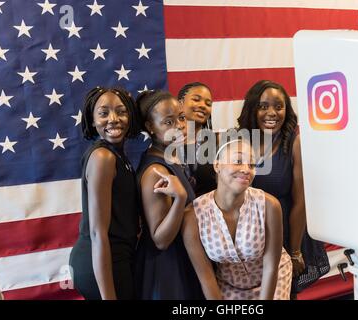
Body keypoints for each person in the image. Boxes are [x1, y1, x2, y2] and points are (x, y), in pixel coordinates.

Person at [238, 80, 330, 296]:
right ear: (253, 109)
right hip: (247, 236)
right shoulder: (238, 141)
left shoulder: (294, 143)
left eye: (279, 106)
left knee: (283, 293)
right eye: (263, 106)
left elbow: (300, 202)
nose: (272, 113)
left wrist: (295, 251)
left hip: (285, 233)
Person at [182, 138, 292, 300]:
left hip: (273, 280)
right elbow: (206, 277)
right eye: (238, 161)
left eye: (252, 165)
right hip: (229, 286)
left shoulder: (269, 205)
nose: (246, 170)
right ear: (217, 165)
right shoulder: (194, 215)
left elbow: (271, 267)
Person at [69, 86, 141, 300]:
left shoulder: (118, 156)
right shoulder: (103, 157)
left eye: (121, 111)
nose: (113, 119)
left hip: (117, 256)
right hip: (101, 262)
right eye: (103, 113)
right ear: (92, 120)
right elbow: (97, 234)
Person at [134, 90, 204, 300]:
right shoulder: (156, 171)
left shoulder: (170, 158)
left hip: (182, 259)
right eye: (168, 122)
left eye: (181, 118)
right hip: (167, 270)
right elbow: (160, 239)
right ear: (150, 127)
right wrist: (180, 198)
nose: (180, 127)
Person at [178, 82, 216, 197]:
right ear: (180, 103)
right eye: (196, 99)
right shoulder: (166, 142)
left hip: (209, 211)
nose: (203, 105)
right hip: (177, 212)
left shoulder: (217, 143)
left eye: (208, 103)